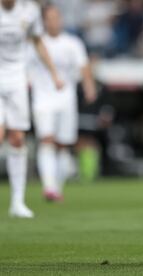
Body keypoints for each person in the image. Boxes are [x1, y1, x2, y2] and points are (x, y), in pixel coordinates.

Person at [0, 0, 63, 218]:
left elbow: (38, 42)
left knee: (17, 138)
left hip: (16, 80)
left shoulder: (30, 11)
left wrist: (54, 73)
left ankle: (17, 202)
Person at [28, 4, 97, 201]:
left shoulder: (72, 43)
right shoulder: (36, 42)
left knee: (63, 144)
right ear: (43, 21)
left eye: (57, 17)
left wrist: (89, 86)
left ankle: (56, 188)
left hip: (66, 99)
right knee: (46, 140)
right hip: (42, 98)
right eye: (50, 17)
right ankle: (48, 186)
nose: (54, 21)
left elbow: (83, 66)